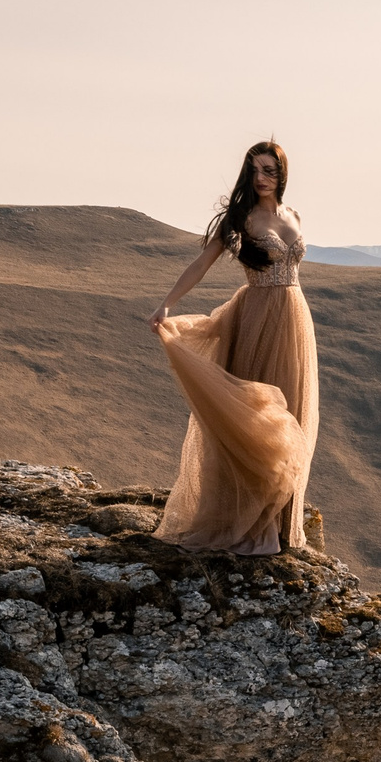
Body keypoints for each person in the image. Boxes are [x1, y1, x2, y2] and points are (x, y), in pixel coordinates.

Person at [145, 142, 319, 553]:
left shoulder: (293, 215)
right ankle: (247, 524)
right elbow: (201, 264)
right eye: (255, 170)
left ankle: (279, 523)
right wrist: (167, 302)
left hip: (295, 320)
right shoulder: (238, 220)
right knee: (258, 419)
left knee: (292, 411)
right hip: (257, 320)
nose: (261, 178)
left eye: (270, 171)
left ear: (282, 174)